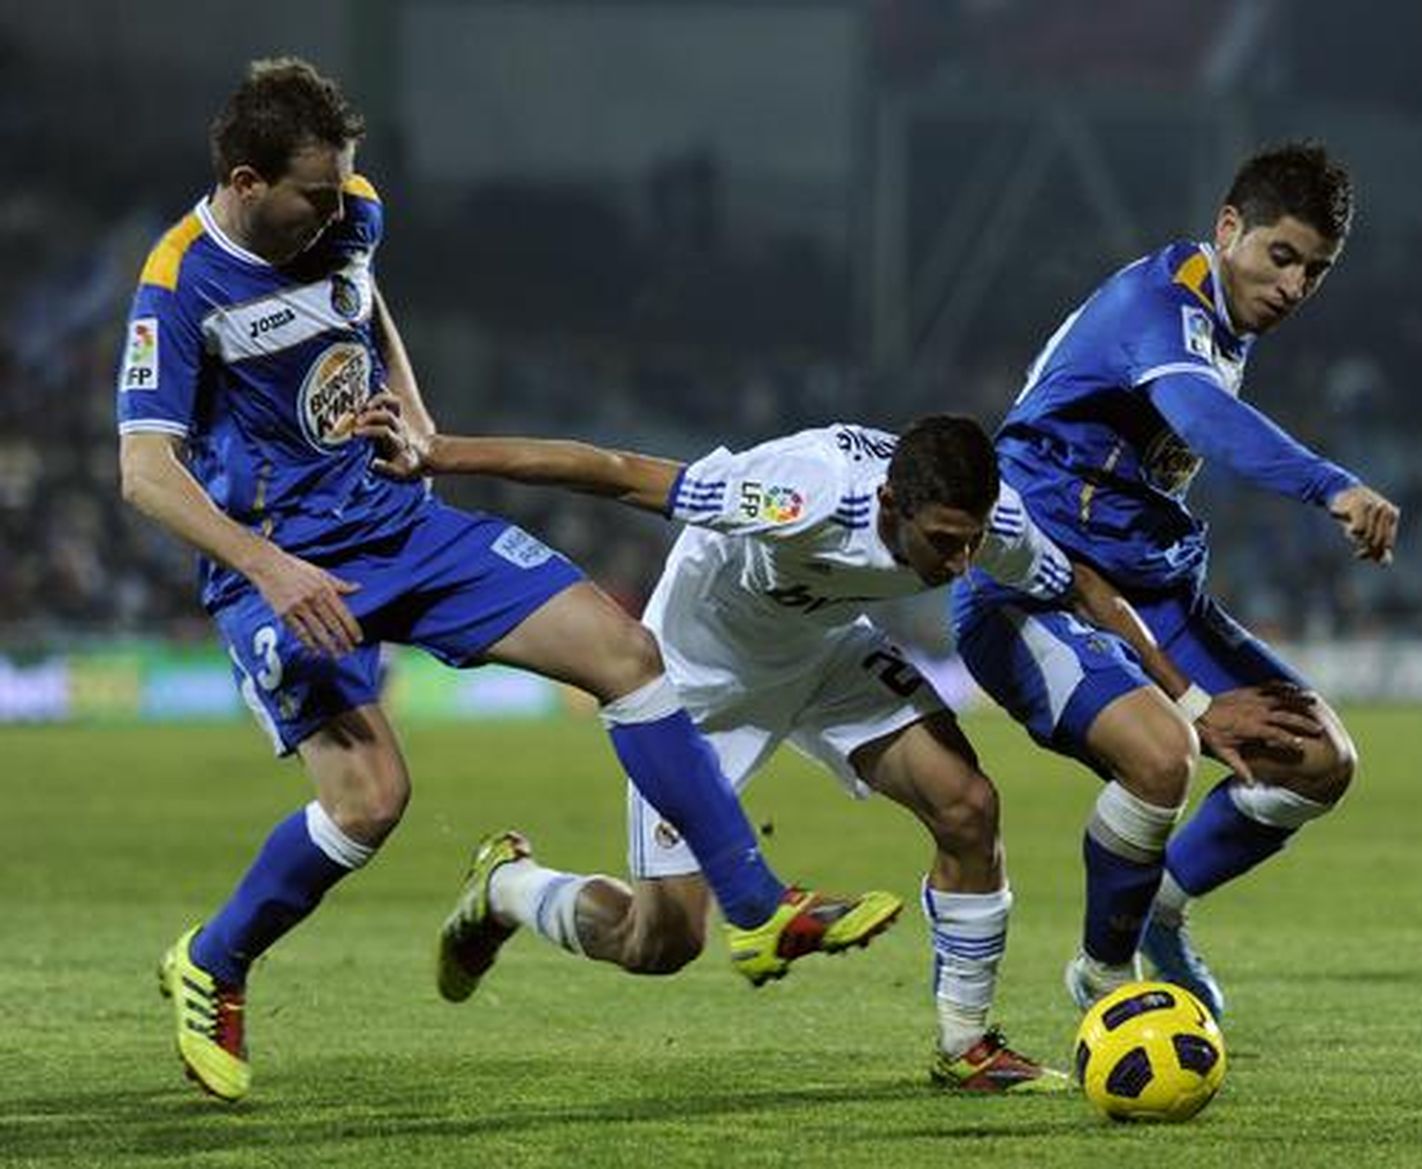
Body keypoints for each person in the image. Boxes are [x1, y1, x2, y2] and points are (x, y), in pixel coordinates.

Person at [115, 58, 900, 1104]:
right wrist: (269, 567)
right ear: (246, 182)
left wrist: (415, 413)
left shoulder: (349, 212)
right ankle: (213, 961)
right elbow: (144, 472)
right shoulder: (179, 284)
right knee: (370, 801)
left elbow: (363, 300)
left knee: (626, 653)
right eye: (314, 193)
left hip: (397, 520)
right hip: (281, 562)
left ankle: (757, 909)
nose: (338, 209)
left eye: (344, 187)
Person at [355, 407, 1301, 1091]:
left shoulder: (991, 522)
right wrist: (441, 451)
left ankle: (966, 1045)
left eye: (971, 543)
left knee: (968, 805)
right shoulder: (800, 494)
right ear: (890, 502)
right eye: (943, 542)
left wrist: (1189, 701)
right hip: (699, 683)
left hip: (826, 657)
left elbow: (1082, 585)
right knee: (662, 941)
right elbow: (609, 469)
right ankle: (511, 887)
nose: (959, 564)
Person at [950, 141, 1401, 1017]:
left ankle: (1158, 907)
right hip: (1033, 584)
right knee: (1162, 756)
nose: (1294, 287)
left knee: (1317, 761)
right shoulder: (1155, 304)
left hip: (1151, 586)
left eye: (1315, 271)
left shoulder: (1227, 319)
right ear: (1229, 228)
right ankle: (1105, 978)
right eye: (1282, 256)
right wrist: (1332, 485)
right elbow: (1201, 415)